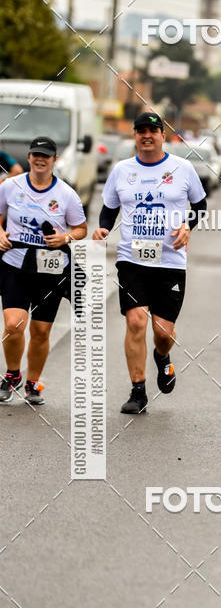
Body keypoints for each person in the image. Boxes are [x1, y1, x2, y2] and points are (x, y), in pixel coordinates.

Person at [93, 112, 207, 414]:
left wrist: (187, 227)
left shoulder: (182, 168)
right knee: (135, 321)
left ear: (162, 136)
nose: (147, 135)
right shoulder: (121, 170)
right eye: (141, 130)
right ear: (135, 136)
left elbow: (200, 206)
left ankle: (162, 356)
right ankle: (138, 390)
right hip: (131, 258)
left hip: (170, 260)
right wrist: (104, 228)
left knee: (163, 332)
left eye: (153, 131)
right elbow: (108, 208)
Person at [0, 136, 87, 404]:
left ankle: (33, 383)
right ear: (29, 158)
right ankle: (13, 374)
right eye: (36, 154)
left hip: (50, 269)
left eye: (45, 156)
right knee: (13, 324)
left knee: (40, 331)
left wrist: (66, 238)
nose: (40, 159)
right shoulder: (11, 186)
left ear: (54, 160)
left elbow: (81, 228)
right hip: (15, 262)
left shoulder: (66, 194)